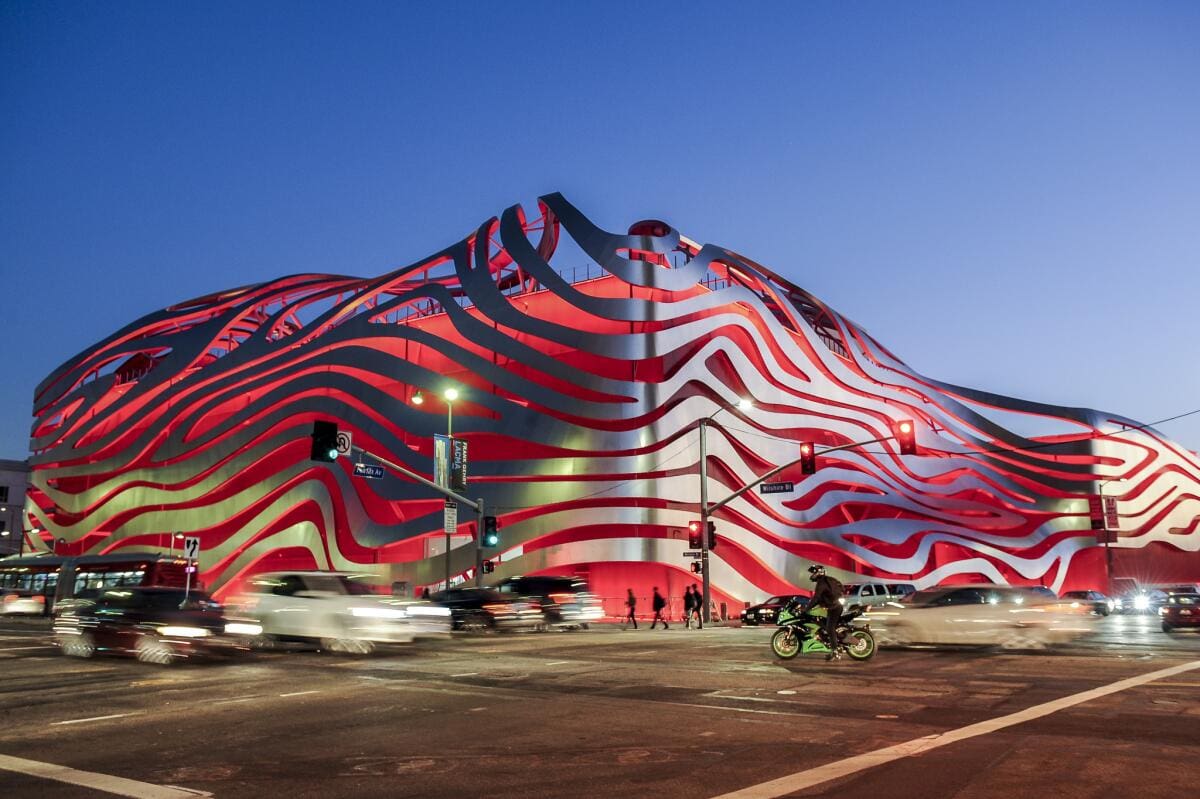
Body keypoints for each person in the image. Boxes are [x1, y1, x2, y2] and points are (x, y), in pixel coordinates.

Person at [802, 564, 845, 660]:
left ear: (819, 572)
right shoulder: (830, 580)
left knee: (830, 628)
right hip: (836, 606)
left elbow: (816, 598)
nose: (812, 575)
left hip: (834, 608)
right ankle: (831, 642)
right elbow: (842, 588)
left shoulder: (821, 583)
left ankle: (835, 651)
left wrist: (807, 609)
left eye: (814, 572)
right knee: (823, 622)